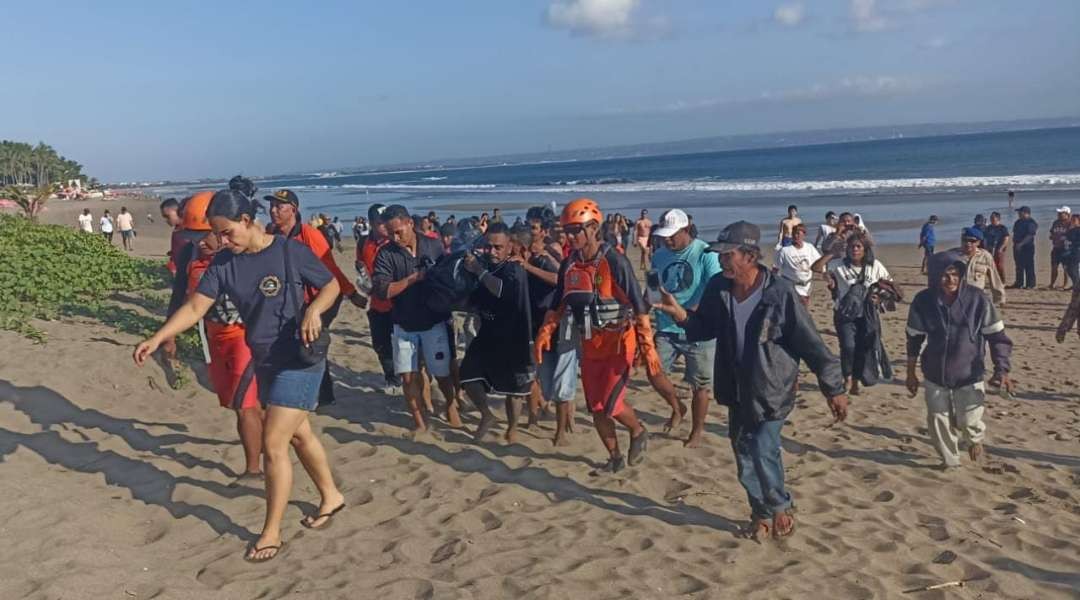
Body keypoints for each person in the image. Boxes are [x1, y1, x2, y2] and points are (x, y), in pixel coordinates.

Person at [134, 189, 345, 563]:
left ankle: (271, 532)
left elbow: (330, 285)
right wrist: (159, 336)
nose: (222, 240)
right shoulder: (224, 264)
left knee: (273, 443)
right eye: (217, 233)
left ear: (247, 221)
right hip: (265, 360)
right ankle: (332, 495)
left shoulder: (287, 251)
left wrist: (314, 311)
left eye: (227, 232)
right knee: (299, 435)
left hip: (301, 357)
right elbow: (197, 306)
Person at [654, 221, 847, 540]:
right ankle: (761, 513)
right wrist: (681, 316)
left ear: (750, 255)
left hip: (772, 387)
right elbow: (705, 328)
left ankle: (780, 505)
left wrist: (834, 388)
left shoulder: (779, 293)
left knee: (762, 447)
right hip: (736, 386)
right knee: (743, 454)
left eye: (728, 255)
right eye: (720, 255)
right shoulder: (719, 287)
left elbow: (811, 343)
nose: (722, 261)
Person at [535, 198, 654, 472]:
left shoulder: (615, 261)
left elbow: (639, 305)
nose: (570, 236)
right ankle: (614, 458)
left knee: (610, 404)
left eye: (576, 230)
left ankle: (637, 430)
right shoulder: (569, 265)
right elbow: (558, 304)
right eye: (567, 230)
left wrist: (647, 348)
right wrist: (545, 332)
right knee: (596, 408)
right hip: (589, 344)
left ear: (592, 228)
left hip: (618, 342)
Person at [164, 191, 263, 482]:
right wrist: (169, 335)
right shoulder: (189, 254)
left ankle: (254, 469)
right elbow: (181, 295)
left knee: (246, 406)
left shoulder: (242, 255)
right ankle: (274, 439)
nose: (202, 244)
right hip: (213, 335)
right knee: (238, 403)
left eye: (207, 236)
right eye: (195, 238)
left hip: (245, 336)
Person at [906, 250, 1013, 468]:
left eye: (955, 274)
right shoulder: (923, 301)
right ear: (935, 277)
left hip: (969, 372)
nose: (950, 280)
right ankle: (950, 461)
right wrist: (910, 373)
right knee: (938, 419)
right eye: (945, 275)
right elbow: (914, 338)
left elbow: (997, 337)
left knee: (968, 420)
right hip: (935, 372)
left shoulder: (977, 299)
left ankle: (973, 439)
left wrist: (1002, 369)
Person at [265, 189, 365, 407]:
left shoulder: (309, 234)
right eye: (271, 206)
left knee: (311, 340)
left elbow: (330, 269)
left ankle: (323, 395)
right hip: (294, 301)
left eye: (279, 206)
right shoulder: (271, 233)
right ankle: (317, 392)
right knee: (302, 341)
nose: (273, 210)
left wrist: (351, 293)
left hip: (323, 297)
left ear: (293, 210)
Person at [372, 204, 462, 433]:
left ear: (409, 223)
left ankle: (451, 406)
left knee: (442, 373)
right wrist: (414, 278)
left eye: (398, 231)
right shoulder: (385, 253)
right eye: (390, 233)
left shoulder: (432, 244)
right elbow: (382, 290)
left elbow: (449, 276)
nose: (395, 237)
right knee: (408, 377)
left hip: (435, 320)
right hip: (403, 323)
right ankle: (420, 423)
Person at [651, 208, 722, 447]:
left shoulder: (704, 253)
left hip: (699, 329)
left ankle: (696, 431)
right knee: (654, 372)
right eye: (664, 235)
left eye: (672, 234)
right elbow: (653, 286)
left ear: (686, 230)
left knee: (700, 386)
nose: (667, 239)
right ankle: (676, 406)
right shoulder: (659, 255)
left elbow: (715, 288)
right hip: (666, 326)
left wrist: (689, 312)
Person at [459, 223, 535, 443]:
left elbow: (500, 290)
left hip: (514, 336)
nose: (493, 251)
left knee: (514, 390)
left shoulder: (514, 268)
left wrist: (478, 271)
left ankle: (512, 429)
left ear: (510, 246)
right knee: (467, 375)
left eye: (498, 247)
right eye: (489, 246)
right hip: (488, 334)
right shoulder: (486, 264)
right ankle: (487, 415)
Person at [515, 212, 577, 445]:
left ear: (543, 231)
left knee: (562, 381)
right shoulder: (524, 254)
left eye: (534, 228)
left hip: (559, 324)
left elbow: (560, 278)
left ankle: (561, 431)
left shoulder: (549, 253)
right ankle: (538, 416)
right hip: (535, 323)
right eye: (528, 228)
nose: (530, 232)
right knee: (540, 379)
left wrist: (529, 266)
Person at [812, 232, 891, 395]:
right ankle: (847, 377)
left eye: (858, 246)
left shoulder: (874, 266)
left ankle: (856, 380)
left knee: (862, 348)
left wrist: (879, 298)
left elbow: (888, 286)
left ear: (864, 249)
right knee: (848, 347)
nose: (854, 249)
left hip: (867, 315)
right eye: (851, 246)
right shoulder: (838, 264)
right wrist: (832, 253)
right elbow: (816, 268)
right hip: (844, 315)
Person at [357, 204, 401, 394]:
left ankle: (405, 377)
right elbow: (360, 266)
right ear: (372, 224)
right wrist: (363, 281)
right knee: (380, 344)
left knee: (402, 345)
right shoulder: (363, 243)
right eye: (380, 223)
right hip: (376, 303)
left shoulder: (396, 242)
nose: (384, 227)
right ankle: (391, 379)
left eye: (386, 223)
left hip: (398, 302)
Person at [773, 223, 821, 306]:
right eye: (794, 233)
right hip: (791, 286)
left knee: (804, 309)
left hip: (807, 286)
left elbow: (819, 263)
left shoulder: (809, 247)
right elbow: (776, 268)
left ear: (804, 234)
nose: (796, 236)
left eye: (799, 233)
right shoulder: (784, 251)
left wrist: (825, 273)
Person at [957, 227, 1006, 306]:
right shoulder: (953, 256)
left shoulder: (985, 256)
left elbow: (994, 278)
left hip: (977, 299)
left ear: (978, 242)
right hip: (958, 299)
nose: (968, 243)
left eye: (972, 241)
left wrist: (1000, 299)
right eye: (965, 240)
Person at [1010, 205, 1038, 289]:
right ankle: (1019, 283)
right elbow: (1015, 233)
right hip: (1017, 247)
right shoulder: (1018, 222)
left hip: (1027, 247)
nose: (1018, 214)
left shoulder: (1031, 222)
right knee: (1019, 266)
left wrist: (1021, 244)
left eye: (1020, 212)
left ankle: (1030, 284)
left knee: (1029, 265)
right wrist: (1015, 244)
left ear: (1026, 213)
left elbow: (1030, 235)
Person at [1049, 206, 1072, 290]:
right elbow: (1052, 232)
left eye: (1061, 213)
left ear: (1067, 214)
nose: (1058, 214)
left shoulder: (1070, 223)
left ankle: (1065, 284)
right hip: (1056, 248)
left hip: (1066, 249)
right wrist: (1052, 236)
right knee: (1054, 267)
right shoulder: (1056, 222)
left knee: (1066, 268)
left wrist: (1064, 238)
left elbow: (1072, 236)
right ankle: (1052, 284)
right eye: (1058, 213)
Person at [983, 212, 1010, 280]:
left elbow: (1006, 238)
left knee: (999, 266)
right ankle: (993, 280)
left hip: (999, 250)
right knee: (989, 265)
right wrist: (985, 247)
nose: (991, 219)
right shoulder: (989, 228)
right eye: (991, 218)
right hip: (989, 249)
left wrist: (1001, 248)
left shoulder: (1002, 228)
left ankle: (1002, 280)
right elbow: (985, 238)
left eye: (993, 218)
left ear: (998, 219)